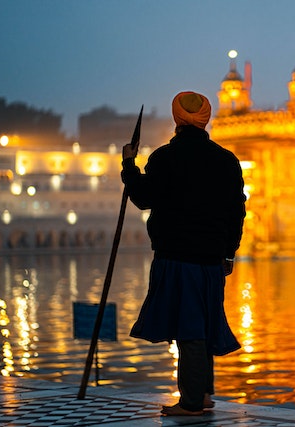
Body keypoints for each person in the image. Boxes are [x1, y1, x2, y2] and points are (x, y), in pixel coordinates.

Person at [121, 91, 246, 416]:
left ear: (177, 119)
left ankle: (191, 403)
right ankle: (202, 394)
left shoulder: (165, 158)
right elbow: (237, 213)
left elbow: (144, 197)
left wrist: (129, 165)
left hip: (178, 256)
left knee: (189, 328)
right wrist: (229, 253)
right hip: (212, 260)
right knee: (201, 325)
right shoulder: (226, 160)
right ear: (206, 119)